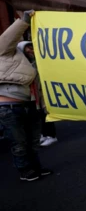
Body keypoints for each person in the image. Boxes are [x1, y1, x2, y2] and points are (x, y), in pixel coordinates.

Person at [0, 10, 51, 181]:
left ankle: (36, 167)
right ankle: (24, 170)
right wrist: (24, 21)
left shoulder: (37, 65)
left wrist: (46, 108)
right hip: (10, 108)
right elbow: (7, 38)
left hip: (31, 106)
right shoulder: (7, 54)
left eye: (33, 47)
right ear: (21, 47)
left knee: (33, 141)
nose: (31, 49)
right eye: (28, 47)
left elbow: (40, 89)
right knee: (19, 142)